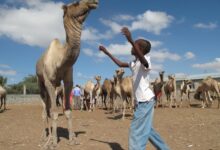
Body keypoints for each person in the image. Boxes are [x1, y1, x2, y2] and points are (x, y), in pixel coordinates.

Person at [99, 27, 169, 150]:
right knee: (148, 131)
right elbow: (120, 64)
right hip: (142, 102)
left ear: (140, 49)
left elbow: (144, 62)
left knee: (135, 131)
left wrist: (131, 39)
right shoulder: (133, 63)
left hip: (145, 101)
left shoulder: (146, 60)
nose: (132, 47)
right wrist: (107, 53)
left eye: (135, 45)